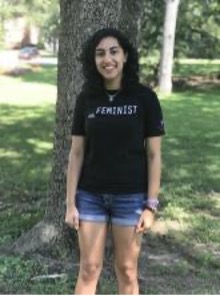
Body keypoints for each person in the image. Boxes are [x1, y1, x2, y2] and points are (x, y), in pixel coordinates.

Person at [65, 27, 165, 295]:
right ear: (93, 60)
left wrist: (151, 206)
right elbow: (76, 153)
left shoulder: (145, 98)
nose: (107, 59)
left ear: (125, 56)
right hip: (90, 196)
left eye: (113, 51)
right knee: (88, 268)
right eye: (100, 54)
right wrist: (70, 202)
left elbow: (154, 155)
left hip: (131, 197)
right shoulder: (87, 98)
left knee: (127, 270)